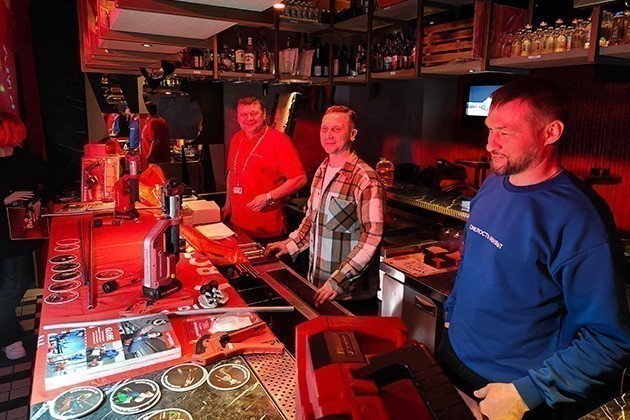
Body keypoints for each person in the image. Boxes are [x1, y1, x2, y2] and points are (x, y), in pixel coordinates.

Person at [439, 77, 630, 419]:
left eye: (505, 132)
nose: (490, 144)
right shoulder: (493, 184)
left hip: (511, 389)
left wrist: (527, 393)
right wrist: (452, 313)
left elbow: (609, 340)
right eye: (489, 129)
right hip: (452, 356)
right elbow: (474, 261)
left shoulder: (580, 218)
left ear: (551, 132)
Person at [265, 105, 386, 308]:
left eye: (337, 129)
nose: (328, 135)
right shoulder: (322, 169)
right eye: (324, 129)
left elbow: (372, 237)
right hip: (319, 285)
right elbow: (312, 219)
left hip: (350, 296)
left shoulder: (365, 179)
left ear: (353, 134)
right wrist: (289, 244)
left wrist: (338, 281)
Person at [223, 96, 307, 241]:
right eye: (243, 114)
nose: (249, 118)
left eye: (254, 113)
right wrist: (227, 205)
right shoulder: (236, 138)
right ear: (237, 117)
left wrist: (269, 197)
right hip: (237, 225)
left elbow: (300, 179)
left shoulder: (280, 141)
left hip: (267, 231)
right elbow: (232, 173)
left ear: (263, 114)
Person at [0, 112, 49, 360]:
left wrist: (39, 199)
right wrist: (6, 199)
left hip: (17, 232)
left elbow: (49, 182)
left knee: (15, 284)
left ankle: (9, 335)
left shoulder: (27, 159)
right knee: (11, 286)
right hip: (4, 230)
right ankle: (9, 336)